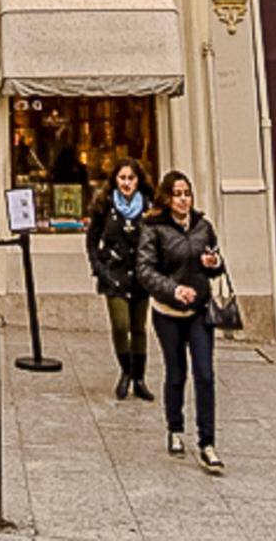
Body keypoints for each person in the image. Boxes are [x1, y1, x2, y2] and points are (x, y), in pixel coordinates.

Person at [136, 170, 226, 474]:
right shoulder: (154, 229)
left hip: (200, 311)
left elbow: (216, 263)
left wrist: (213, 263)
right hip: (168, 313)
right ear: (166, 197)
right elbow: (145, 271)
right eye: (177, 194)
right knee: (176, 374)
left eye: (186, 193)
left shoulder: (203, 227)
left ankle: (207, 443)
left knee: (205, 374)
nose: (183, 199)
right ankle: (175, 428)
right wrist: (173, 289)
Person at [85, 158, 154, 401]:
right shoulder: (104, 205)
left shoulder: (148, 205)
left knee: (139, 328)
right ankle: (126, 371)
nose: (126, 183)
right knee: (120, 325)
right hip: (113, 274)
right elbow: (92, 238)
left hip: (141, 276)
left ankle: (139, 379)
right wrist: (98, 266)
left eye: (131, 178)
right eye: (122, 178)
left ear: (138, 180)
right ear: (115, 179)